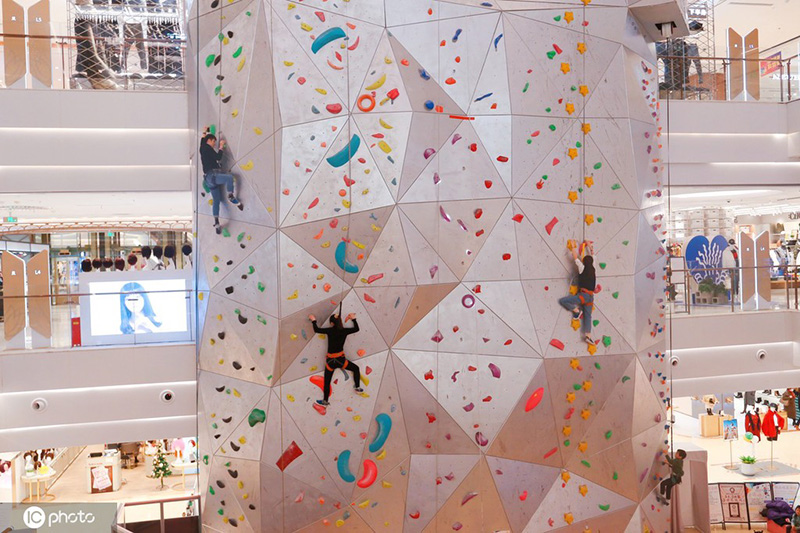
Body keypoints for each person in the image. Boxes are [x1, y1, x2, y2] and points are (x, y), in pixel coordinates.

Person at [309, 311, 363, 406]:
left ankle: (325, 401)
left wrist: (313, 320)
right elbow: (356, 329)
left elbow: (317, 330)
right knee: (356, 369)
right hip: (341, 360)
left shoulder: (329, 330)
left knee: (327, 382)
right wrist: (353, 318)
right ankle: (357, 387)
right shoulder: (344, 331)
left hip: (330, 362)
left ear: (332, 323)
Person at [200, 132, 242, 234]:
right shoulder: (207, 148)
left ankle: (216, 222)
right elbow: (218, 157)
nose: (214, 143)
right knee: (229, 178)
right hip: (213, 175)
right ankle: (231, 196)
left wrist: (204, 133)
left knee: (216, 200)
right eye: (213, 141)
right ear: (208, 141)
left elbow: (202, 141)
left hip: (209, 180)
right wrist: (221, 147)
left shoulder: (202, 148)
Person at [558, 240, 596, 345]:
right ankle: (588, 336)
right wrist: (589, 246)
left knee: (563, 301)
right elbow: (593, 255)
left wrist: (573, 247)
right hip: (590, 297)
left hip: (583, 295)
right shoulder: (594, 267)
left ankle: (576, 311)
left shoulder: (582, 268)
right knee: (588, 316)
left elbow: (575, 258)